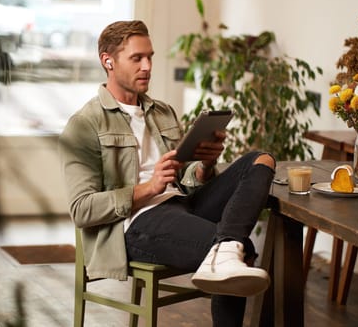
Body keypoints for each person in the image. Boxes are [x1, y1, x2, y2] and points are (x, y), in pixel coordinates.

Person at [60, 20, 276, 326]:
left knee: (261, 160)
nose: (147, 66)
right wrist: (150, 187)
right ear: (108, 61)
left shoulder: (162, 112)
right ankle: (226, 250)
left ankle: (224, 248)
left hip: (181, 204)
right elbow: (82, 210)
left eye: (150, 57)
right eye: (137, 58)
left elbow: (186, 178)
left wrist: (206, 166)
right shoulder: (84, 124)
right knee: (244, 251)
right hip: (135, 223)